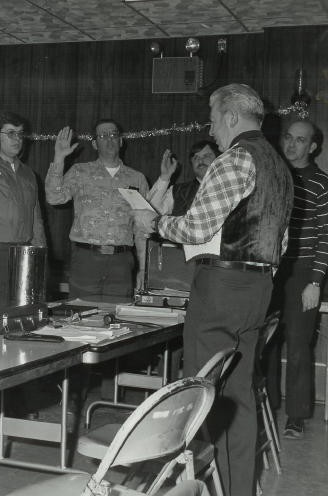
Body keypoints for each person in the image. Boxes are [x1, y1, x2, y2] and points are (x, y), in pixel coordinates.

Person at [134, 83, 293, 496]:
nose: (211, 127)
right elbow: (282, 243)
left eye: (212, 117)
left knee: (201, 394)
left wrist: (154, 224)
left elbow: (197, 227)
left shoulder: (235, 158)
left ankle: (199, 488)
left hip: (221, 287)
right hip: (259, 288)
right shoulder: (278, 166)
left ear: (230, 116)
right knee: (237, 397)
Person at [266, 119, 328, 439]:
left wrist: (315, 281)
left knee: (300, 346)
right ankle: (269, 403)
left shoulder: (321, 183)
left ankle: (297, 415)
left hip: (303, 273)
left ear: (312, 147)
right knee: (268, 341)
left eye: (300, 140)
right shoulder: (273, 175)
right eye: (288, 138)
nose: (292, 145)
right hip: (271, 269)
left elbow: (326, 236)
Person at [46, 120, 148, 298]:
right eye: (102, 136)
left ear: (121, 141)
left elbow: (142, 229)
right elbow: (54, 197)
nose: (109, 139)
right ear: (94, 143)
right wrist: (59, 158)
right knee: (82, 316)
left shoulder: (137, 179)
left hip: (121, 264)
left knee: (118, 319)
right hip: (86, 260)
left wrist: (144, 269)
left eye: (113, 135)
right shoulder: (80, 172)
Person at [0, 110, 46, 305]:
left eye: (20, 134)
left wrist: (40, 258)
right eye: (11, 133)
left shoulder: (29, 174)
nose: (17, 139)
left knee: (21, 315)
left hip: (24, 254)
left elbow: (36, 218)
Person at [148, 140, 220, 215]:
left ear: (218, 159)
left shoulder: (229, 184)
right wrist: (165, 177)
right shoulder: (178, 191)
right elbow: (151, 210)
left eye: (206, 156)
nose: (200, 160)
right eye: (195, 157)